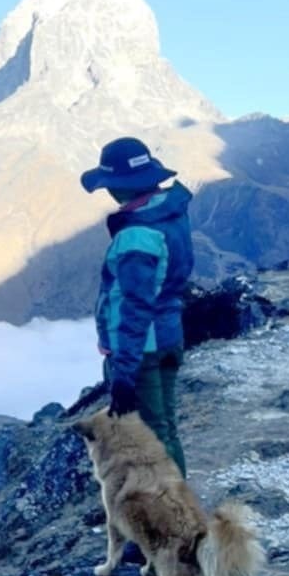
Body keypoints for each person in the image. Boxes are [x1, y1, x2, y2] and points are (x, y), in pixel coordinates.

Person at [80, 136, 194, 476]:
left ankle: (169, 519)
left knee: (149, 438)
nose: (109, 194)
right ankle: (180, 510)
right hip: (169, 335)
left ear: (119, 186)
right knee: (165, 428)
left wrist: (124, 376)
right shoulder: (169, 213)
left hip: (142, 350)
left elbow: (134, 309)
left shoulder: (136, 236)